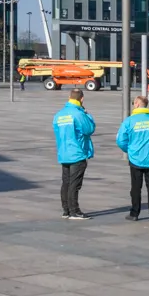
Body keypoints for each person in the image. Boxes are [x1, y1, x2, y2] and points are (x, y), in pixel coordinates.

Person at [116, 93, 149, 221]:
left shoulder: (129, 121)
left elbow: (120, 140)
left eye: (134, 103)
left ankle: (134, 213)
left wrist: (128, 150)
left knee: (136, 187)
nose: (133, 105)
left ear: (138, 104)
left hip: (135, 159)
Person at [54, 90, 96, 219]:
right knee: (74, 183)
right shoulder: (78, 114)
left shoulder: (59, 114)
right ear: (81, 99)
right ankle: (74, 211)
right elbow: (89, 129)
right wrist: (87, 114)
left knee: (66, 182)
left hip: (63, 152)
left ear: (69, 97)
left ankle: (66, 210)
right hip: (77, 153)